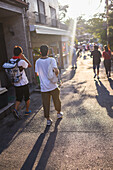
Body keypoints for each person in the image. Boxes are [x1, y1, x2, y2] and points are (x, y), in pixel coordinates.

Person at [35, 44, 63, 126]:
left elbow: (37, 73)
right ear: (48, 51)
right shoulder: (52, 60)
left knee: (45, 103)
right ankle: (58, 113)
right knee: (56, 100)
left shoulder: (37, 61)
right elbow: (56, 70)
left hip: (44, 87)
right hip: (53, 85)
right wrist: (55, 77)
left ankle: (48, 119)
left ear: (40, 52)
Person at [12, 46, 32, 119]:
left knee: (18, 98)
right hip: (23, 82)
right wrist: (23, 58)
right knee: (27, 97)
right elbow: (29, 65)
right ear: (20, 53)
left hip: (16, 83)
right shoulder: (21, 61)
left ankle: (15, 109)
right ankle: (27, 110)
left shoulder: (11, 61)